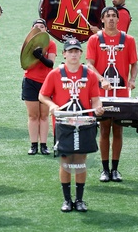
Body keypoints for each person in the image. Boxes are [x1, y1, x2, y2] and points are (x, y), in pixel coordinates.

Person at [39, 38, 105, 212]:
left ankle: (80, 199)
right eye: (70, 51)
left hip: (84, 123)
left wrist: (98, 108)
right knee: (66, 160)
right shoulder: (55, 74)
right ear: (64, 54)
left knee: (81, 160)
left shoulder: (89, 74)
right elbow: (43, 96)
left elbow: (95, 98)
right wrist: (52, 106)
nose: (74, 54)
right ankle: (67, 199)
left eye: (77, 51)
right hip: (64, 124)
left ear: (80, 54)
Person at [86, 6, 138, 183]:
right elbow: (90, 65)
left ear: (118, 19)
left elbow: (134, 64)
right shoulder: (95, 39)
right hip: (101, 93)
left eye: (114, 16)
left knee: (118, 129)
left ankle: (115, 169)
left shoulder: (128, 39)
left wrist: (132, 79)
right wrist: (101, 80)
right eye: (107, 16)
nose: (111, 19)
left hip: (121, 92)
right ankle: (105, 169)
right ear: (102, 20)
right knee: (104, 129)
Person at [22, 18, 57, 155]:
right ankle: (33, 144)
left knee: (44, 115)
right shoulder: (27, 44)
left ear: (46, 30)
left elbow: (50, 64)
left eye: (42, 26)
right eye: (36, 26)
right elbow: (24, 64)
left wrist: (40, 56)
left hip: (46, 82)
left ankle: (43, 144)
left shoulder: (51, 44)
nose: (39, 28)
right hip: (30, 81)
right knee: (32, 115)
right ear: (32, 30)